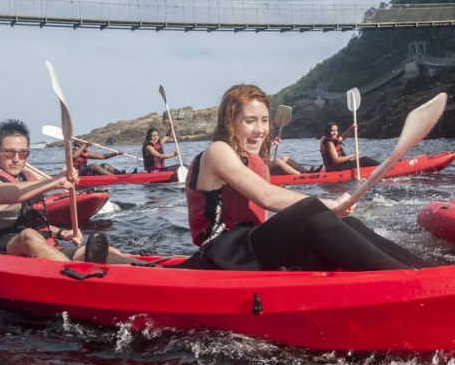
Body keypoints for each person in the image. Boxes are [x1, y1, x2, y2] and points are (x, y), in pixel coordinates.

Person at [172, 84, 429, 272]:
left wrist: (333, 212)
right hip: (222, 255)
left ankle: (425, 270)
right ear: (230, 122)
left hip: (251, 251)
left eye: (264, 120)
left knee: (345, 223)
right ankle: (409, 283)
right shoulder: (217, 151)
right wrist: (328, 204)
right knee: (312, 211)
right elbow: (267, 196)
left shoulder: (254, 160)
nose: (260, 129)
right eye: (250, 121)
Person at [0, 118, 144, 264]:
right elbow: (1, 194)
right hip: (1, 252)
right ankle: (74, 278)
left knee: (106, 252)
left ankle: (142, 269)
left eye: (22, 153)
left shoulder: (26, 176)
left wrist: (61, 233)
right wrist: (54, 182)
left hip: (45, 250)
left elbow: (28, 219)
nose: (16, 159)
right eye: (9, 153)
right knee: (28, 236)